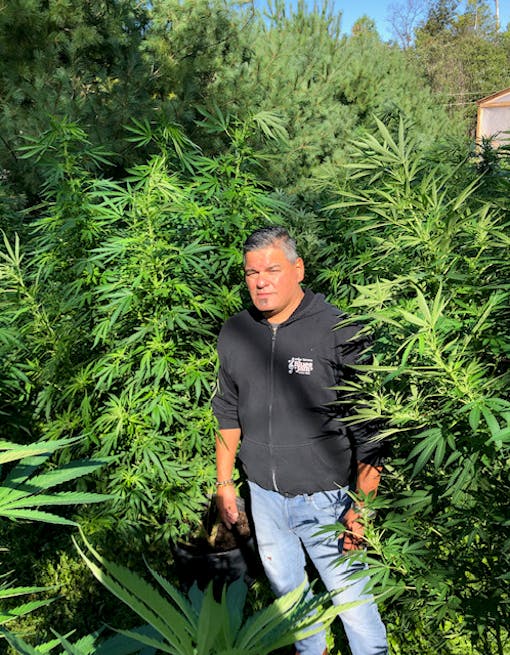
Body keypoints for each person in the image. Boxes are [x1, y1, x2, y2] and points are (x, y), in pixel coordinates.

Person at [212, 226, 388, 655]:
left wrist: (362, 507)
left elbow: (371, 429)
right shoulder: (236, 332)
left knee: (355, 605)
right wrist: (225, 483)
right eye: (252, 272)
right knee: (292, 603)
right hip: (264, 498)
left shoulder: (337, 330)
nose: (261, 281)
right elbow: (227, 411)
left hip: (328, 500)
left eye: (272, 269)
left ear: (298, 269)